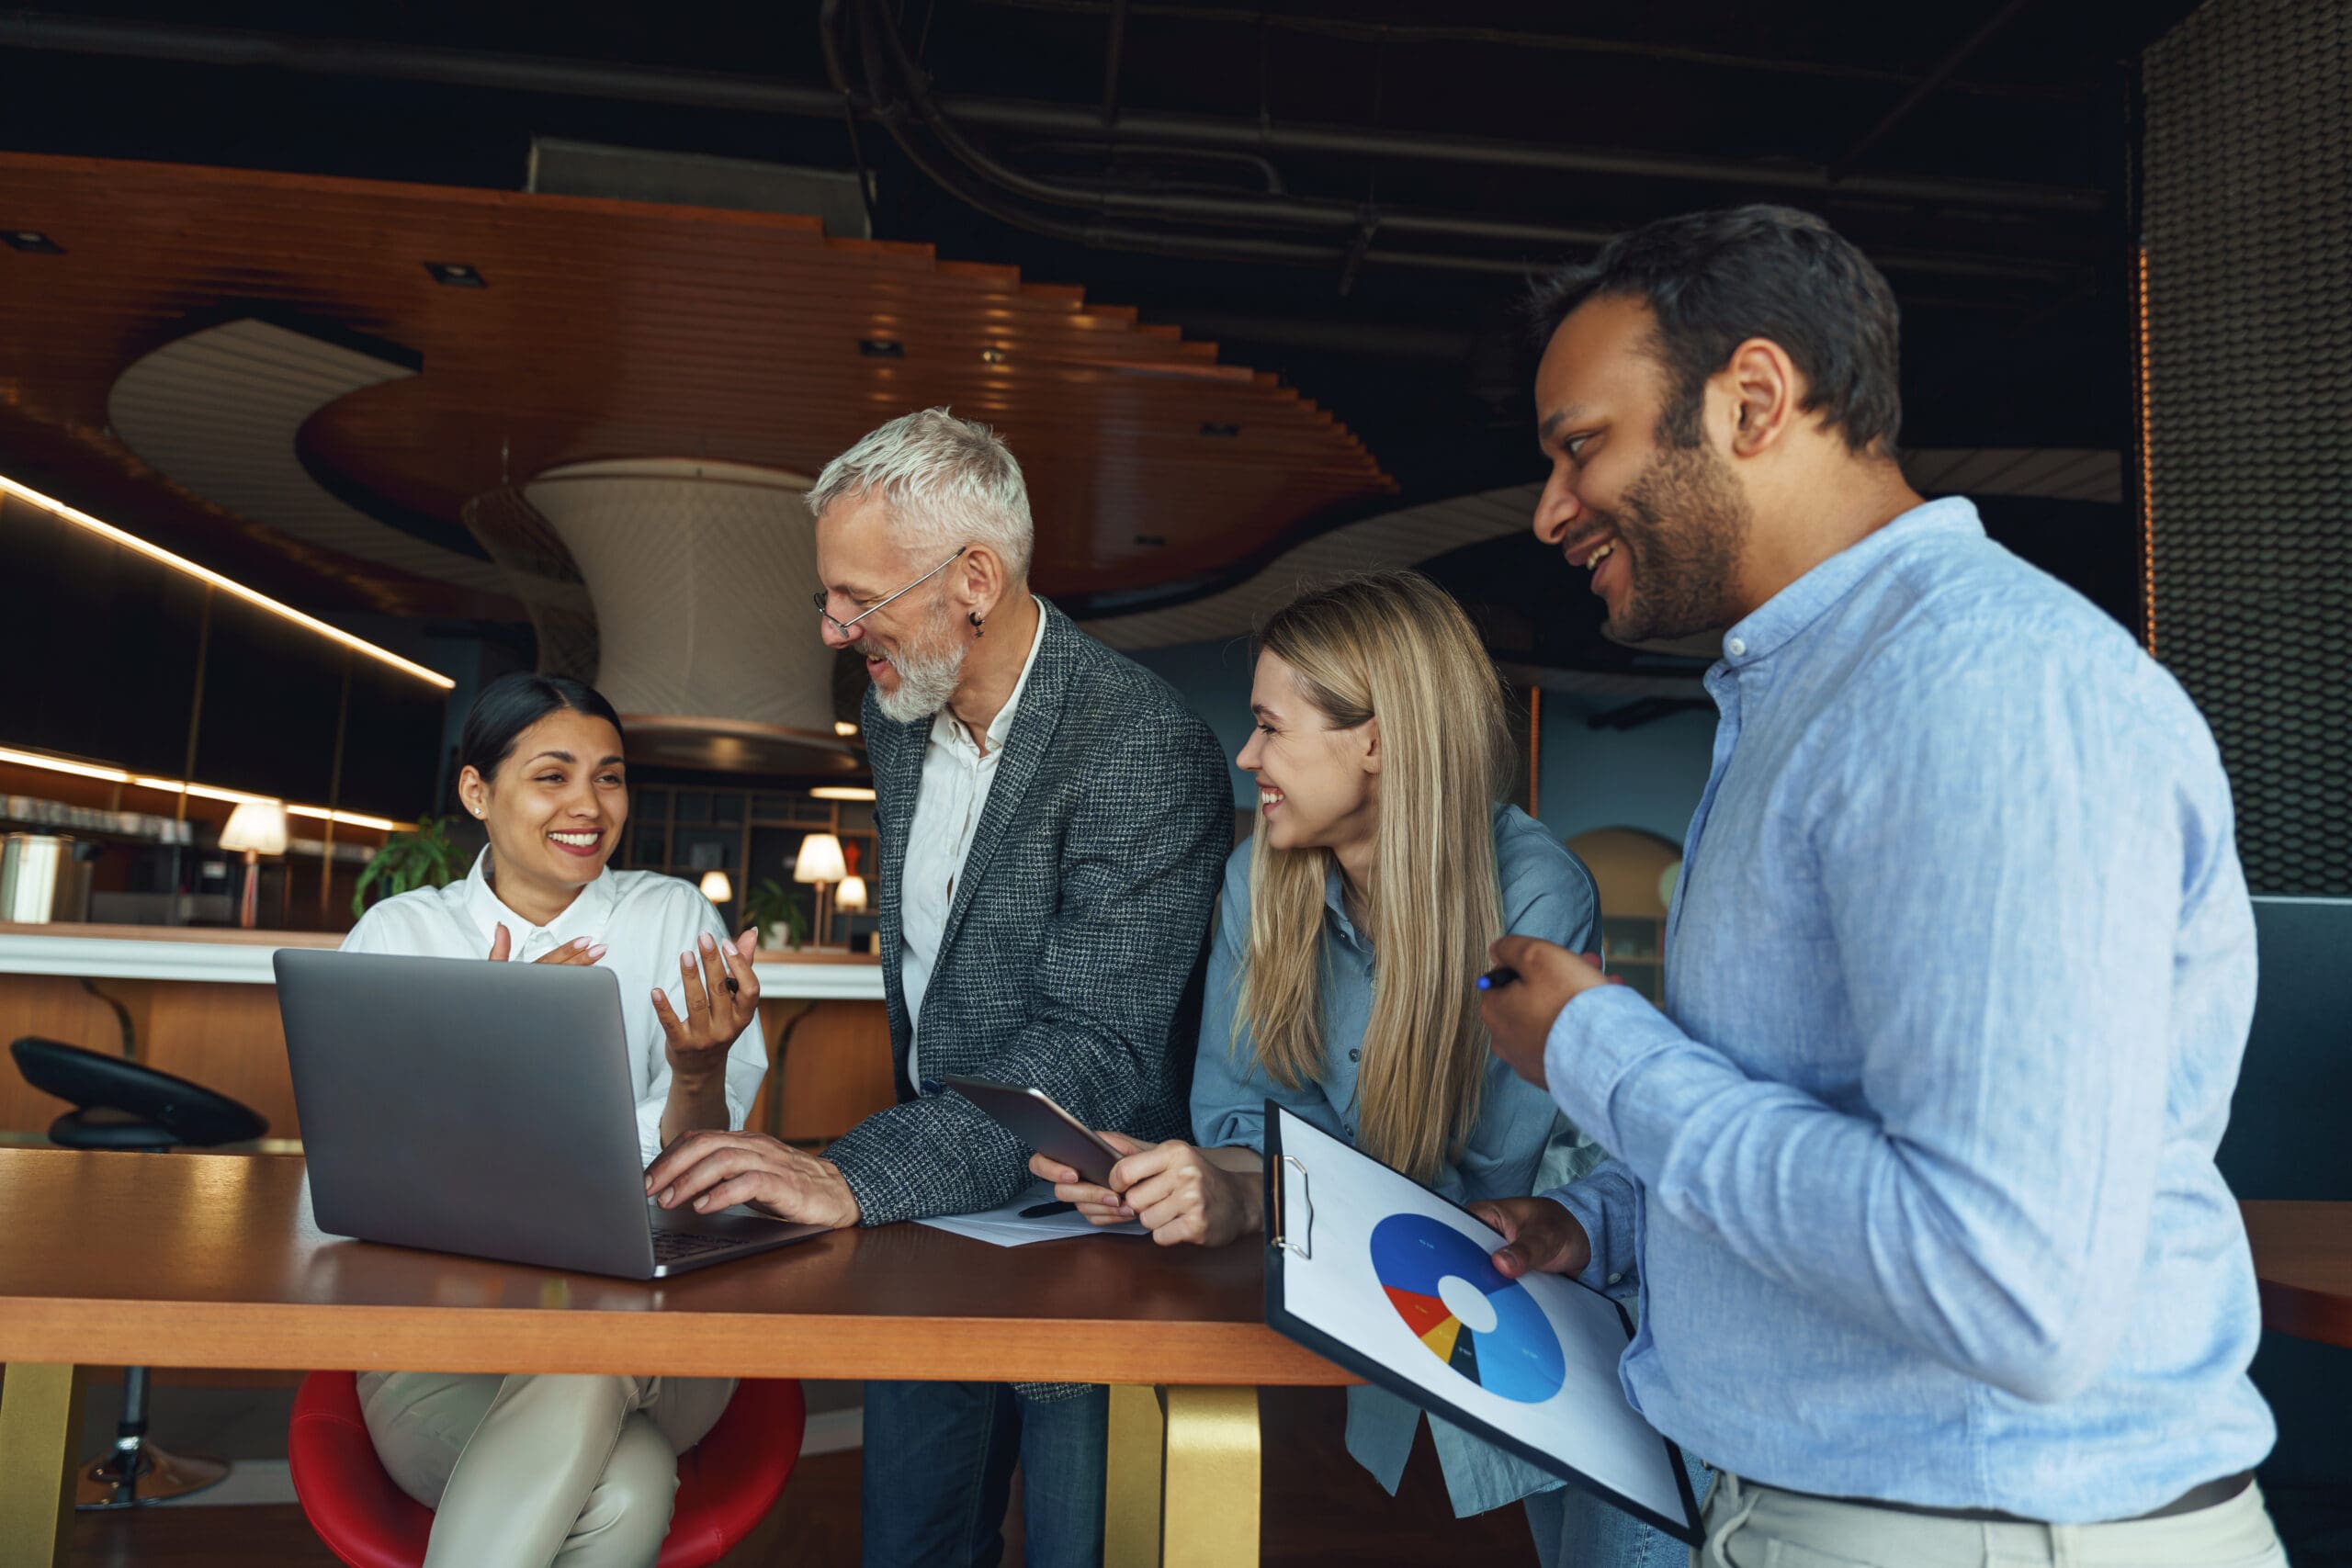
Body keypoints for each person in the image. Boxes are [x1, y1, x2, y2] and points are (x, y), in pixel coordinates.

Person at [1475, 204, 2286, 1567]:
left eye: (1580, 446)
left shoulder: (1982, 693)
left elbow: (2001, 1280)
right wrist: (1605, 1219)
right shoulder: (1821, 689)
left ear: (1752, 399)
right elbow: (1814, 1108)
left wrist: (1597, 1051)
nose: (1551, 507)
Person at [643, 407, 1230, 1568]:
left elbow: (1096, 1050)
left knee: (1079, 1547)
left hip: (1089, 1227)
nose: (831, 628)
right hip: (934, 1210)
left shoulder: (1138, 744)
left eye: (856, 598)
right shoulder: (899, 710)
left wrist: (849, 1173)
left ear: (975, 578)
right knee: (910, 1544)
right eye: (829, 595)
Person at [1029, 570, 1696, 1565]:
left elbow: (1489, 1193)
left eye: (1270, 727)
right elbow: (1237, 1113)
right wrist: (1204, 1180)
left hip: (1575, 1322)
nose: (1246, 755)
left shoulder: (1532, 891)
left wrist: (1253, 1190)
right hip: (1410, 1309)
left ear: (1375, 741)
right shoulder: (1260, 877)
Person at [340, 671, 769, 1568]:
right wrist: (504, 1059)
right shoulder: (398, 939)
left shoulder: (672, 918)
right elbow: (369, 1176)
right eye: (553, 775)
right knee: (629, 1483)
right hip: (443, 1352)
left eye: (609, 776)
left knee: (587, 1346)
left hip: (654, 1335)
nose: (588, 804)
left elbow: (693, 1174)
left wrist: (698, 1068)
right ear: (476, 791)